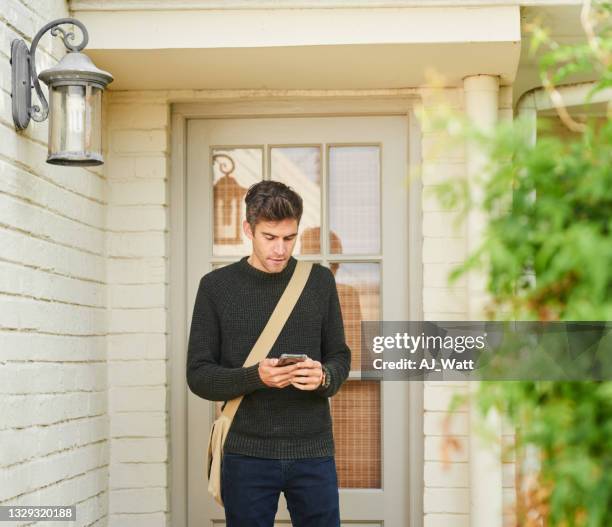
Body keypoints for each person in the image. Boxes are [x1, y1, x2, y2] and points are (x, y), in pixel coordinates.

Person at [186, 180, 351, 527]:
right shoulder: (215, 287)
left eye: (289, 238)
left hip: (313, 451)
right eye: (270, 237)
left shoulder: (319, 282)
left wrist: (324, 377)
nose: (280, 249)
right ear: (249, 229)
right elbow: (198, 375)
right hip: (245, 453)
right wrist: (255, 376)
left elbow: (340, 355)